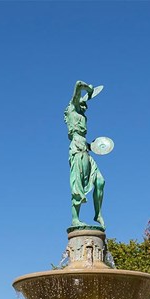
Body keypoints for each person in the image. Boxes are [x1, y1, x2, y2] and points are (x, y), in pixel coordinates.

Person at [64, 80, 105, 228]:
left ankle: (97, 213)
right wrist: (88, 89)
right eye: (83, 103)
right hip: (76, 151)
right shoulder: (72, 109)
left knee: (100, 181)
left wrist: (94, 146)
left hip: (85, 150)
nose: (85, 106)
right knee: (77, 186)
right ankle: (75, 219)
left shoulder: (82, 115)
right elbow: (77, 84)